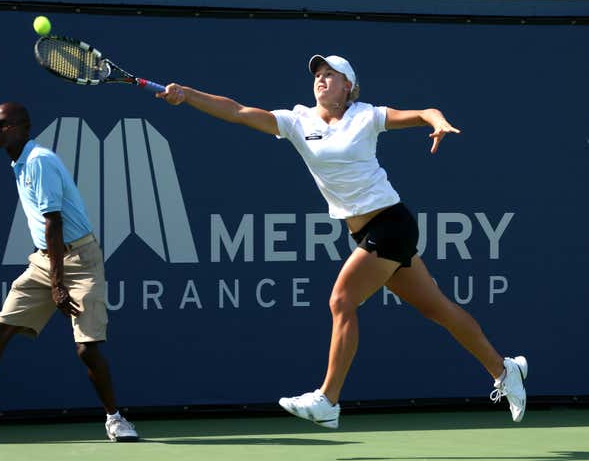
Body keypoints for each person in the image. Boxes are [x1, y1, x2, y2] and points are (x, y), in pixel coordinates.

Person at [156, 54, 527, 429]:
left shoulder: (366, 116)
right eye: (318, 74)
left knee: (341, 299)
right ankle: (504, 369)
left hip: (391, 222)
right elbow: (237, 111)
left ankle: (328, 400)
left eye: (330, 74)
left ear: (348, 85)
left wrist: (438, 121)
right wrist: (187, 95)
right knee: (437, 308)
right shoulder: (296, 120)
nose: (321, 79)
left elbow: (421, 112)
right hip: (365, 231)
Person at [0, 102, 138, 442]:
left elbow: (54, 222)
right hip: (45, 260)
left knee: (87, 349)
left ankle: (115, 418)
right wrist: (50, 274)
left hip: (80, 262)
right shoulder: (19, 163)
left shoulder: (39, 162)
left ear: (24, 127)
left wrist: (58, 285)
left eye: (3, 124)